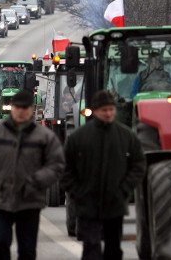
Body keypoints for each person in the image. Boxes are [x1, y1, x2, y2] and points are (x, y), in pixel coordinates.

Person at [0, 89, 65, 260]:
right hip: (1, 198)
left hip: (30, 201)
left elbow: (56, 164)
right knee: (0, 243)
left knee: (27, 250)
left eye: (25, 108)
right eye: (18, 107)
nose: (21, 111)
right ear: (11, 108)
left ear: (32, 109)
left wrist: (37, 181)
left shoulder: (44, 136)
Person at [62, 90, 145, 260]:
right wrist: (77, 192)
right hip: (87, 204)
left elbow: (138, 164)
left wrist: (124, 189)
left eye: (111, 109)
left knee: (113, 248)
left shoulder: (126, 136)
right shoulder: (78, 138)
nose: (108, 113)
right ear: (95, 111)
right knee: (91, 248)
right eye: (104, 110)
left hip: (115, 203)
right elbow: (64, 168)